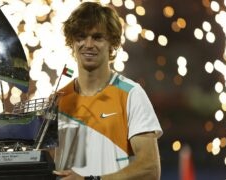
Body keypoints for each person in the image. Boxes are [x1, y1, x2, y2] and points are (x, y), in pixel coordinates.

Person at [52, 2, 163, 180]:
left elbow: (150, 169)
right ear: (71, 42)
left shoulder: (131, 94)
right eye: (81, 37)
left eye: (97, 37)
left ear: (113, 43)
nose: (88, 44)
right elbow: (47, 165)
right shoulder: (57, 100)